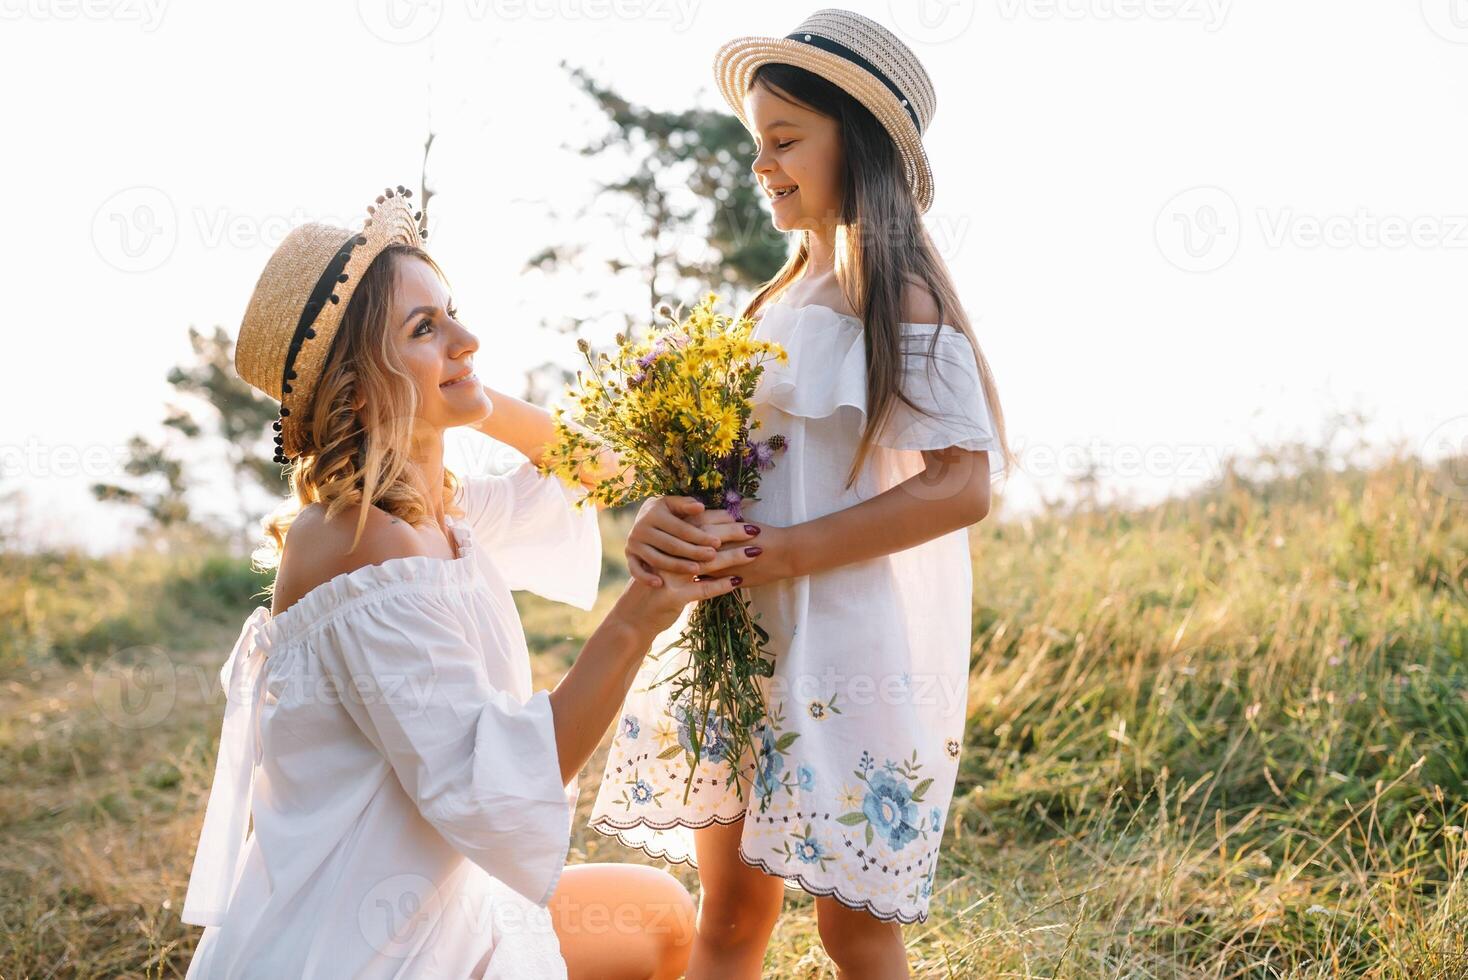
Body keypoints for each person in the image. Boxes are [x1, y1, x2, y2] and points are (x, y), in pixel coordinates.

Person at [180, 186, 756, 979]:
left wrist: (458, 390)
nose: (468, 336)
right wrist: (642, 612)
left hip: (437, 900)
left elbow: (601, 467)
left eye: (452, 312)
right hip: (367, 949)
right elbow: (508, 780)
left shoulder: (433, 511)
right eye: (425, 328)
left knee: (658, 912)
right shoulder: (359, 544)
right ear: (355, 388)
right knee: (653, 918)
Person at [589, 11, 1016, 978]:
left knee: (852, 926)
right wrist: (670, 514)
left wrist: (784, 553)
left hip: (845, 644)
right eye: (757, 144)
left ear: (855, 147)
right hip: (742, 636)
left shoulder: (900, 298)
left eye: (785, 140)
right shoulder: (770, 306)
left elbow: (960, 487)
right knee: (731, 912)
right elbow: (732, 471)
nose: (763, 163)